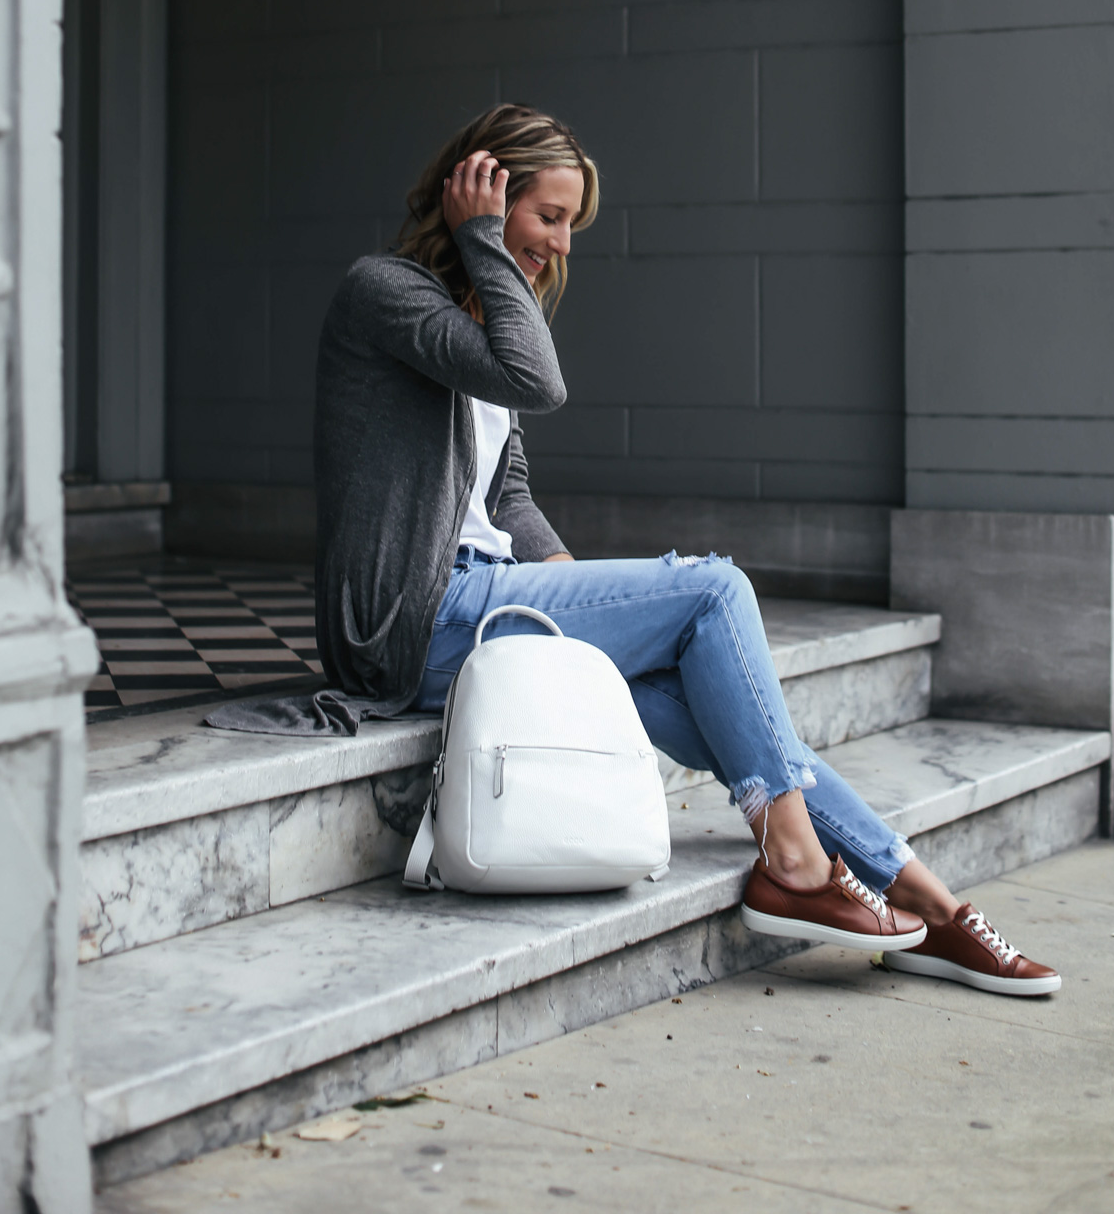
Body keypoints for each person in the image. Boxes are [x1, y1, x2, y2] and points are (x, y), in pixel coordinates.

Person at [314, 103, 1060, 996]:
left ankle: (929, 906)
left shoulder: (479, 316)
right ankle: (797, 866)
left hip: (493, 597)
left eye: (568, 225)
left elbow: (505, 492)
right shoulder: (384, 291)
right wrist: (482, 242)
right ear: (483, 193)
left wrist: (578, 594)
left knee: (722, 711)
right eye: (546, 216)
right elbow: (535, 382)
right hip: (418, 618)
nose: (557, 245)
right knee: (712, 591)